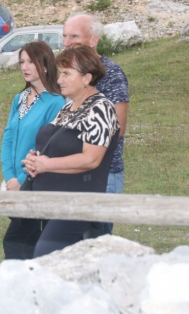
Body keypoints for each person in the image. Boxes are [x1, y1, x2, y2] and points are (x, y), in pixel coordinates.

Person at [22, 45, 120, 258]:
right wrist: (35, 159)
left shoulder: (101, 109)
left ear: (87, 78)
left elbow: (91, 159)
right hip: (52, 202)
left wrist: (47, 165)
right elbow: (55, 146)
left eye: (66, 73)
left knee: (45, 253)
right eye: (60, 73)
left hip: (77, 203)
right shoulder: (69, 108)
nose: (59, 80)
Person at [62, 13, 129, 234]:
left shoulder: (112, 74)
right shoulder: (66, 74)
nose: (67, 42)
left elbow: (117, 128)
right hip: (69, 172)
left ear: (93, 40)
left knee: (93, 246)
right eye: (64, 36)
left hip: (102, 174)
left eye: (74, 35)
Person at [1, 40, 65, 260]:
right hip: (16, 182)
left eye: (31, 62)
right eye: (22, 62)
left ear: (45, 65)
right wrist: (9, 177)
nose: (24, 67)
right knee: (28, 243)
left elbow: (47, 148)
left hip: (36, 183)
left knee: (15, 242)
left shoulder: (55, 103)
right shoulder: (19, 99)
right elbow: (8, 138)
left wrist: (20, 180)